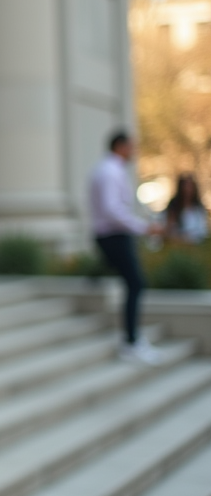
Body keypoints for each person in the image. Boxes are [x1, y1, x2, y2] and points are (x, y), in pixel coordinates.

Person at [88, 131, 164, 364]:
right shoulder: (110, 171)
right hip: (114, 236)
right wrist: (142, 227)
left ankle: (133, 339)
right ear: (120, 146)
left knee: (133, 283)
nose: (134, 151)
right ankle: (131, 342)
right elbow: (112, 210)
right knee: (136, 283)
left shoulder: (108, 169)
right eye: (131, 147)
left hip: (112, 235)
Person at [165, 173, 208, 244]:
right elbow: (168, 227)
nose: (188, 189)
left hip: (195, 243)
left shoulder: (198, 208)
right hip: (176, 242)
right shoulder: (173, 207)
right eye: (185, 186)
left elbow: (203, 230)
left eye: (190, 186)